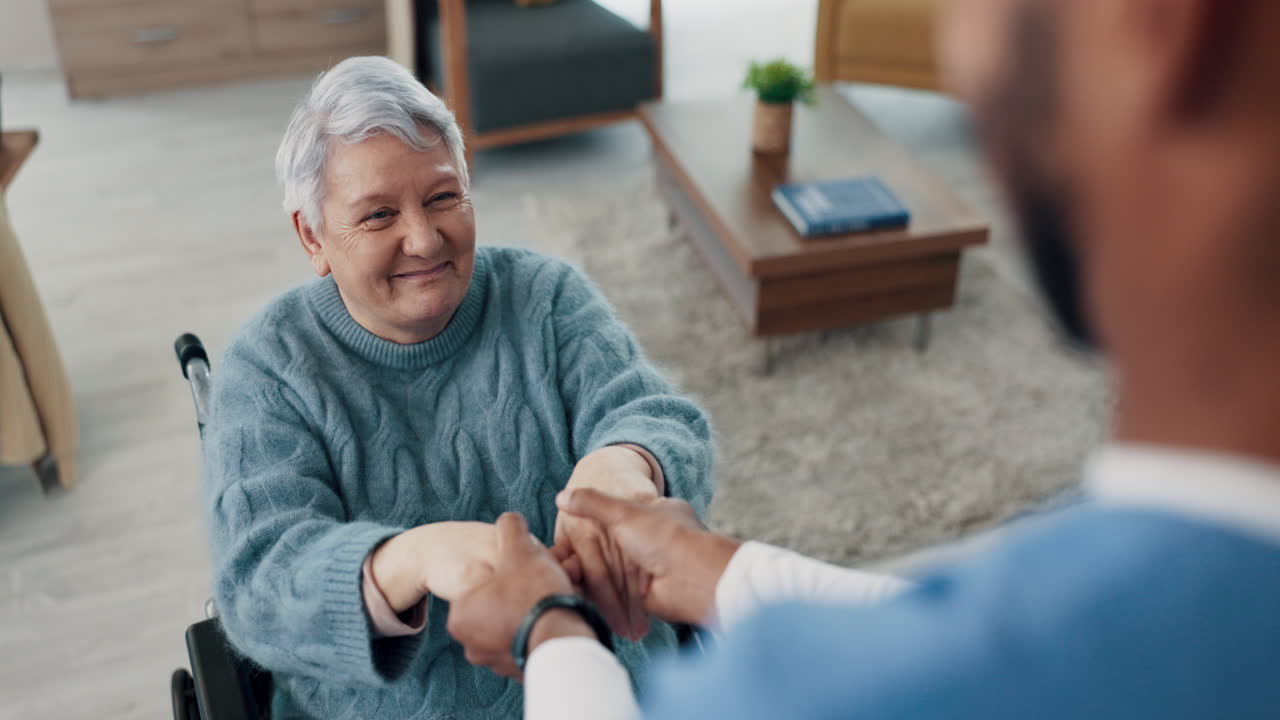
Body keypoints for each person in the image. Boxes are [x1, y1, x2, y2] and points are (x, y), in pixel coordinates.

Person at [444, 0, 1280, 717]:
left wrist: (550, 632)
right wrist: (729, 573)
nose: (961, 47)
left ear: (1158, 22)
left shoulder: (808, 695)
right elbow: (953, 627)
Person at [200, 56, 714, 718]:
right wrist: (406, 559)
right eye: (379, 215)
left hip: (605, 681)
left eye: (443, 197)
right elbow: (257, 590)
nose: (423, 238)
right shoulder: (268, 368)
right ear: (313, 235)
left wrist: (628, 458)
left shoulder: (545, 295)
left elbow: (662, 419)